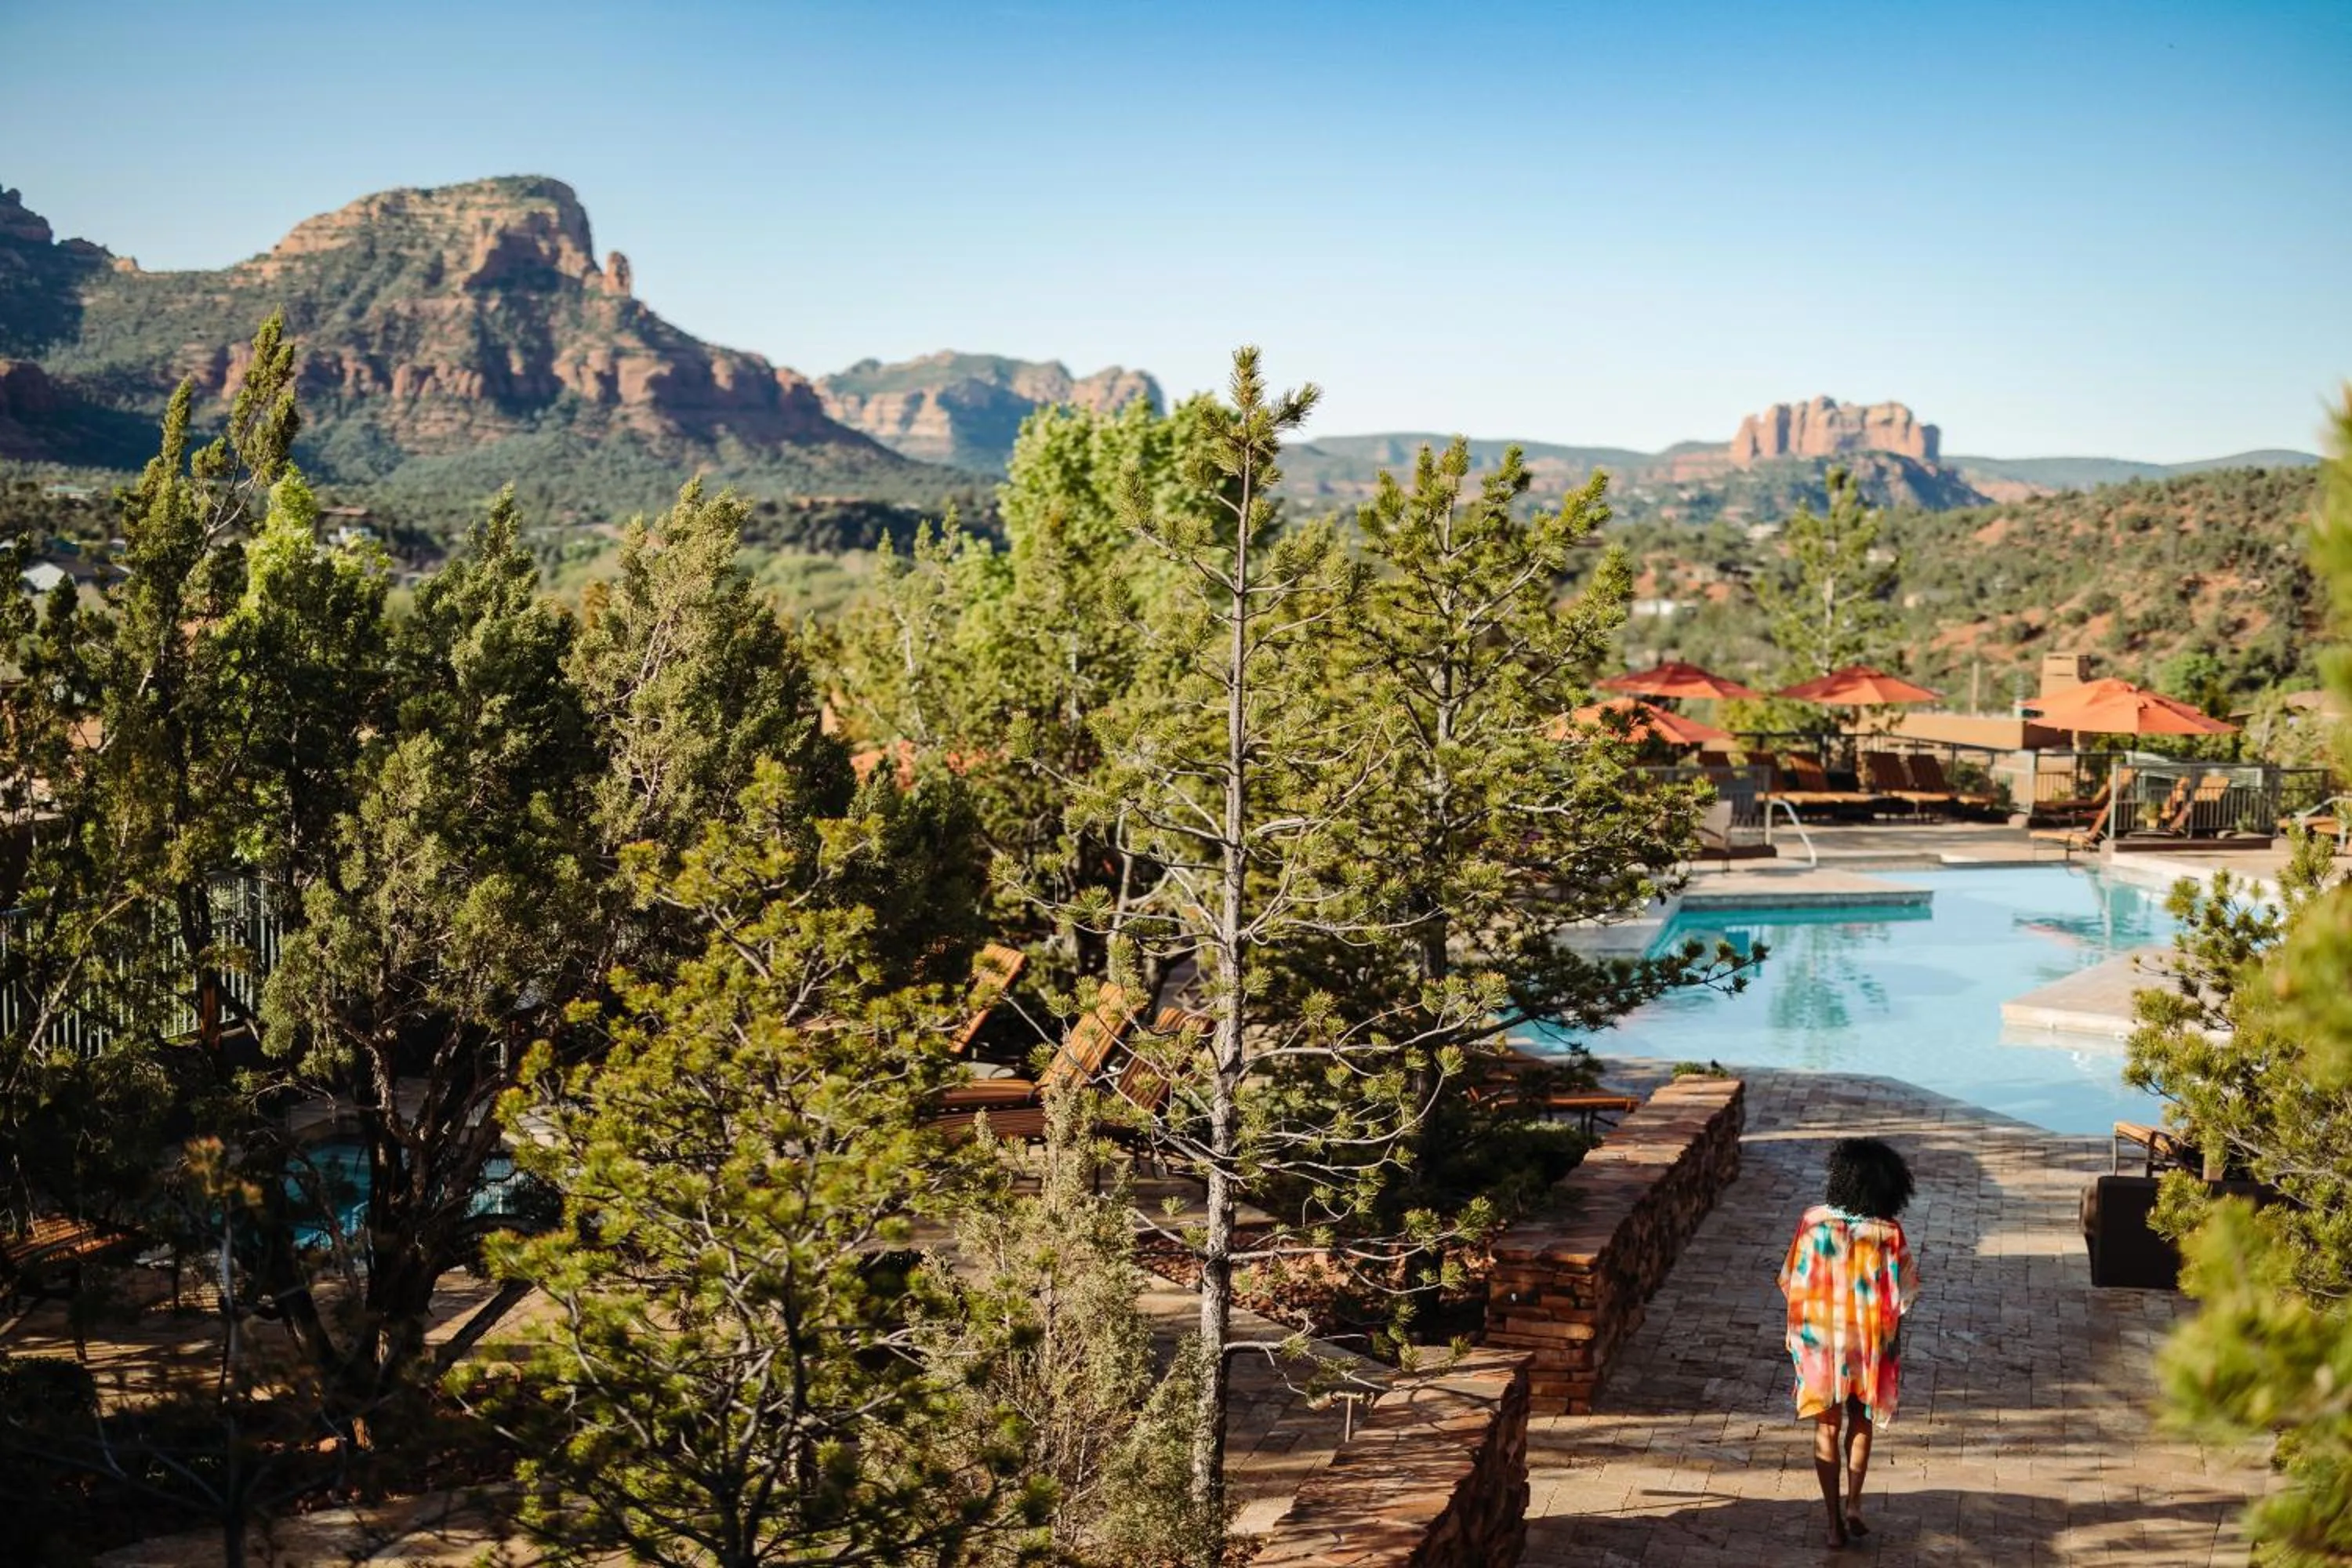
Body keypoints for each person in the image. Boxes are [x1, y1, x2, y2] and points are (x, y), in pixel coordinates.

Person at [1777, 1136, 1918, 1548]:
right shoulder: (1889, 1232)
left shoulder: (1813, 1220)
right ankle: (1855, 1503)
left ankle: (1833, 1524)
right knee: (1861, 1420)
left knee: (1827, 1426)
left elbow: (1789, 1279)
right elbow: (1906, 1294)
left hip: (1821, 1342)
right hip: (1869, 1342)